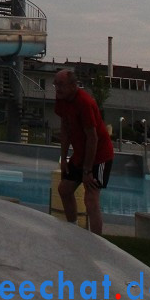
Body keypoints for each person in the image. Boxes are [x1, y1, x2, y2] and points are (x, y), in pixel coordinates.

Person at [54, 68, 114, 234]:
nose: (58, 89)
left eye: (61, 85)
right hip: (81, 154)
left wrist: (87, 170)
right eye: (55, 85)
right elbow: (65, 129)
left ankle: (96, 242)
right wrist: (64, 158)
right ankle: (73, 229)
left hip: (100, 155)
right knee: (64, 189)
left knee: (91, 199)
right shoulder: (62, 99)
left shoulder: (85, 103)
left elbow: (92, 138)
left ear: (73, 85)